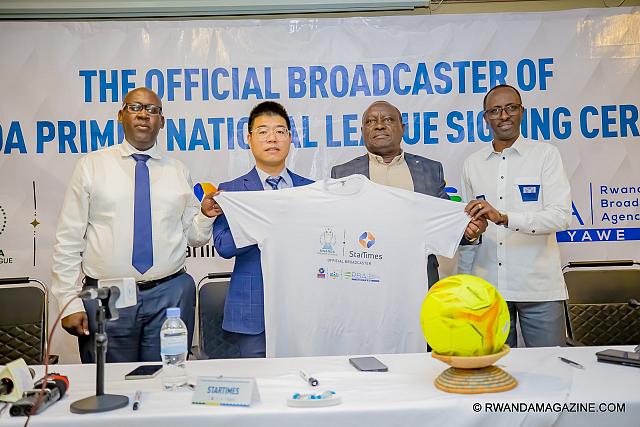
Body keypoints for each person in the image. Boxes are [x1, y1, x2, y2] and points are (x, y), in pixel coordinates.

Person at [51, 87, 219, 363]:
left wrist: (205, 216)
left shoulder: (178, 171)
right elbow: (69, 238)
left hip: (170, 295)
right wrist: (69, 302)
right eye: (135, 107)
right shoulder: (91, 167)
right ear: (121, 115)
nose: (143, 115)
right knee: (109, 383)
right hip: (108, 296)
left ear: (161, 122)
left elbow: (193, 237)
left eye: (152, 110)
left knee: (167, 379)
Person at [461, 84, 572, 348]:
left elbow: (560, 216)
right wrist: (472, 236)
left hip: (539, 288)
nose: (504, 115)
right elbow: (468, 229)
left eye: (511, 108)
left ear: (522, 111)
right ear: (486, 117)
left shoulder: (545, 155)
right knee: (494, 367)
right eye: (495, 110)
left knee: (549, 365)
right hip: (488, 290)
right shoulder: (472, 164)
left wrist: (504, 218)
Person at [331, 100, 486, 287]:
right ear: (363, 131)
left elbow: (447, 226)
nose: (379, 126)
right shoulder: (342, 174)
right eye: (371, 121)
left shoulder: (430, 170)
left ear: (402, 128)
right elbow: (336, 228)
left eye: (388, 120)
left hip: (418, 279)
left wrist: (470, 233)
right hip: (363, 278)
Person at [208, 101, 313, 358]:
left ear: (290, 138)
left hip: (304, 307)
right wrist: (265, 222)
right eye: (263, 131)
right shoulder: (231, 191)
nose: (272, 138)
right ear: (249, 139)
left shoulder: (310, 190)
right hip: (253, 310)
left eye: (279, 131)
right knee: (258, 378)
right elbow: (224, 246)